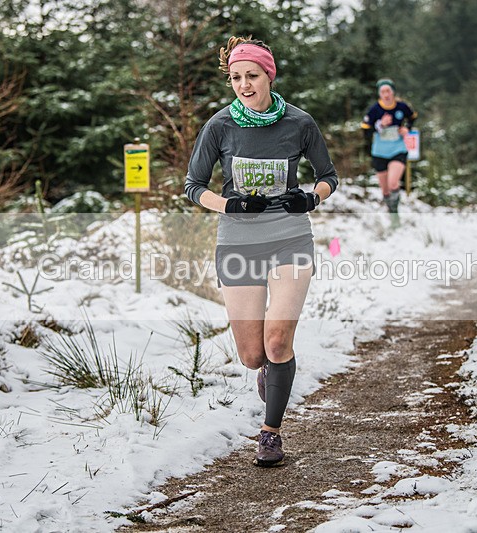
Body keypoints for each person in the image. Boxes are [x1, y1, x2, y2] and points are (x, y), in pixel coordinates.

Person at [184, 36, 338, 467]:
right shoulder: (219, 126)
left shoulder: (299, 123)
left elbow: (328, 175)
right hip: (238, 241)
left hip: (290, 236)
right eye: (236, 77)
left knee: (276, 339)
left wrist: (311, 198)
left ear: (269, 75)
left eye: (252, 75)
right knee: (253, 355)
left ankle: (270, 433)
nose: (243, 85)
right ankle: (271, 373)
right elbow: (193, 187)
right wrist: (229, 203)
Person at [361, 79, 417, 213]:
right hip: (380, 151)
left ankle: (395, 214)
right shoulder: (375, 109)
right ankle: (391, 211)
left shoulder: (402, 107)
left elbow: (412, 117)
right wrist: (380, 124)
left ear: (393, 92)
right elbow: (365, 130)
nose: (386, 94)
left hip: (398, 149)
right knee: (385, 189)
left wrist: (406, 128)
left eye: (388, 91)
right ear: (379, 94)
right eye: (383, 92)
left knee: (393, 183)